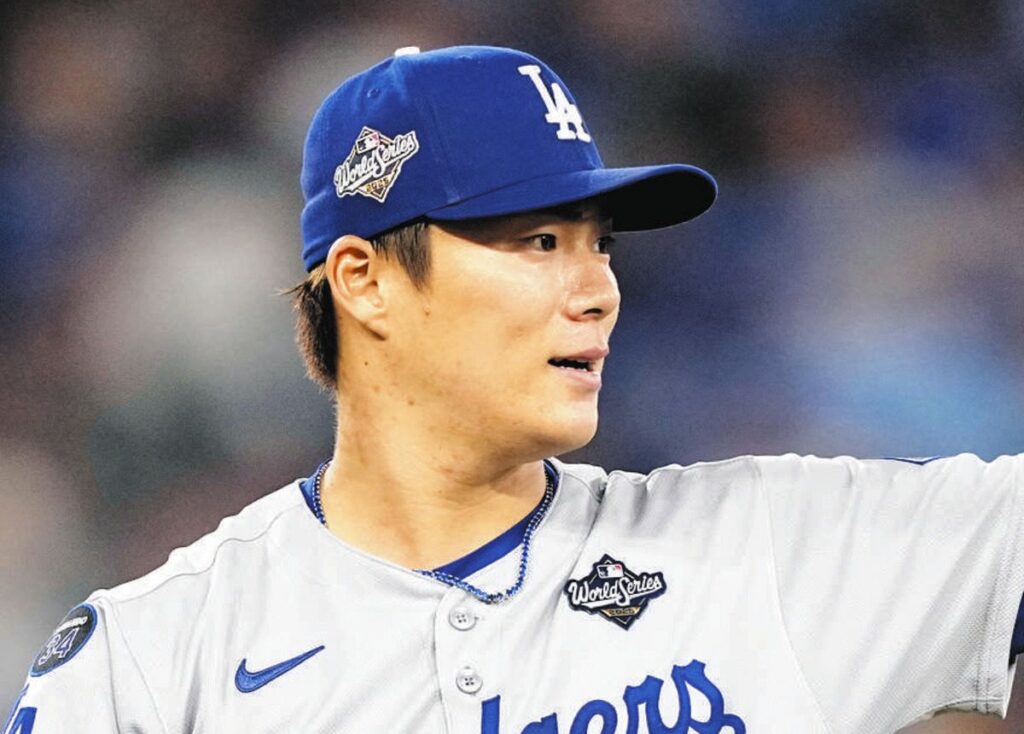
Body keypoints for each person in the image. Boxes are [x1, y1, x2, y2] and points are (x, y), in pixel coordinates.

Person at [5, 44, 1024, 734]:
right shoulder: (154, 662)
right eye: (538, 241)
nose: (598, 289)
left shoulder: (765, 546)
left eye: (599, 243)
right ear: (364, 281)